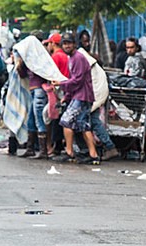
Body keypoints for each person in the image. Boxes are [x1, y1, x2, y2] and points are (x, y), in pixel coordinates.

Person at [52, 32, 99, 163]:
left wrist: (60, 84)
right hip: (81, 95)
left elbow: (77, 80)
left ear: (74, 44)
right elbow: (73, 80)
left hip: (82, 96)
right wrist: (66, 96)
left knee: (66, 121)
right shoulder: (72, 58)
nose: (66, 46)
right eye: (64, 43)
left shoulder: (78, 57)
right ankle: (93, 155)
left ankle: (69, 152)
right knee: (83, 125)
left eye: (69, 43)